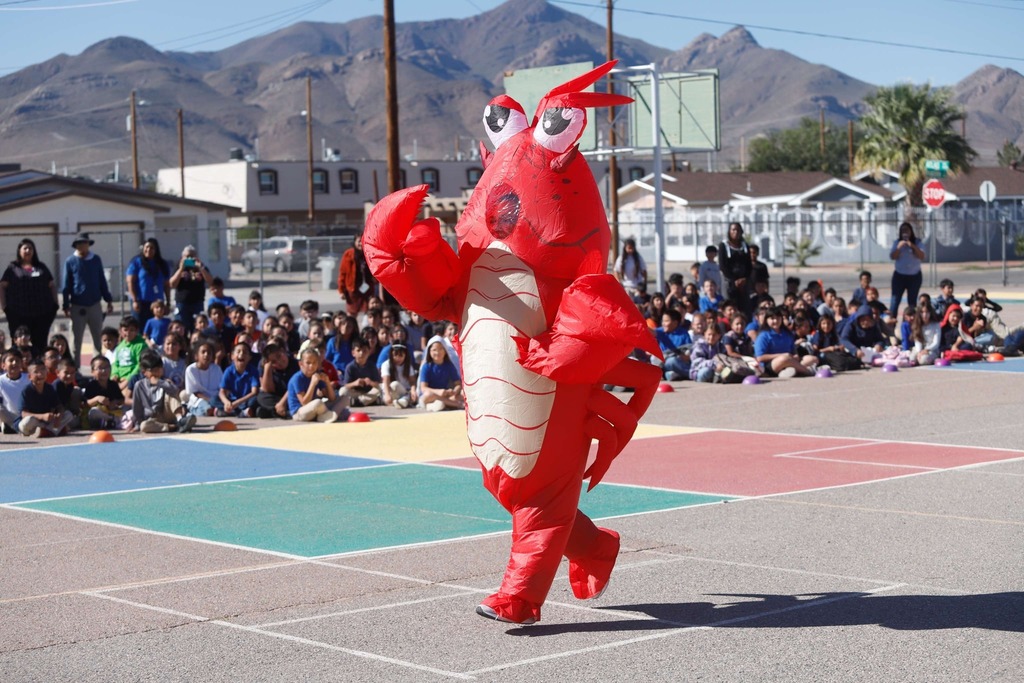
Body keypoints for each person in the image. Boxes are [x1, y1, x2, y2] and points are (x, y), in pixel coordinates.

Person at [0, 238, 59, 358]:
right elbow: (2, 286)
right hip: (18, 314)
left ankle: (39, 369)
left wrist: (55, 304)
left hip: (41, 314)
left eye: (30, 248)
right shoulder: (12, 268)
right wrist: (4, 306)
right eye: (25, 248)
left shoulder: (41, 267)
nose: (28, 250)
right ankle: (18, 370)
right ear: (19, 251)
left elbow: (51, 285)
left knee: (40, 344)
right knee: (19, 344)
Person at [62, 233, 114, 366]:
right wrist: (66, 305)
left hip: (95, 304)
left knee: (97, 339)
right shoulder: (70, 261)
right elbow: (66, 284)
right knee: (76, 341)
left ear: (88, 244)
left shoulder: (96, 259)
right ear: (76, 245)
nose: (82, 245)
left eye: (85, 243)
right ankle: (76, 370)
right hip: (77, 305)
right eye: (79, 243)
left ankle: (97, 367)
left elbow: (102, 280)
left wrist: (108, 300)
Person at [131, 351, 196, 433]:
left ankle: (180, 420)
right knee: (144, 426)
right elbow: (137, 408)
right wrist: (137, 425)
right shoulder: (139, 385)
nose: (157, 372)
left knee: (170, 393)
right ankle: (172, 427)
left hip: (167, 415)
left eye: (159, 369)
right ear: (145, 372)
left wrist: (160, 383)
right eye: (153, 370)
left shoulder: (165, 382)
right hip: (152, 418)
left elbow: (176, 392)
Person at [754, 307, 817, 378]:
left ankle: (790, 370)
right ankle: (808, 371)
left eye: (778, 318)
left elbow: (793, 350)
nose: (775, 321)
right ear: (767, 320)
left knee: (812, 359)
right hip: (770, 365)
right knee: (784, 359)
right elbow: (759, 357)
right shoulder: (763, 335)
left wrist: (795, 355)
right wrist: (781, 355)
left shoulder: (787, 333)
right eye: (772, 319)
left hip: (789, 360)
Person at [19, 357, 75, 437]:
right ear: (29, 377)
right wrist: (42, 416)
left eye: (42, 370)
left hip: (48, 422)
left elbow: (59, 406)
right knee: (27, 421)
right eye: (36, 372)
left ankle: (46, 431)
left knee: (68, 414)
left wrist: (59, 415)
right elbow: (23, 413)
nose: (40, 374)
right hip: (35, 421)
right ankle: (53, 431)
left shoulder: (49, 388)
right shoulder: (27, 390)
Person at [287, 347, 346, 422]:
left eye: (314, 362)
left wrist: (327, 382)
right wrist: (312, 384)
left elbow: (332, 398)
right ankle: (331, 415)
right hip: (299, 412)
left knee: (344, 398)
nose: (311, 366)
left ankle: (328, 415)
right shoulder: (297, 378)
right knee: (318, 403)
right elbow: (304, 403)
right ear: (301, 364)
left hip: (314, 409)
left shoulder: (317, 375)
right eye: (308, 363)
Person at [125, 238, 170, 329]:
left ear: (156, 250)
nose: (149, 250)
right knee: (139, 328)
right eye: (147, 247)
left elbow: (166, 284)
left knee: (155, 328)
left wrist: (168, 302)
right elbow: (130, 282)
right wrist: (134, 300)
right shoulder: (136, 262)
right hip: (141, 302)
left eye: (152, 248)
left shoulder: (162, 264)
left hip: (157, 304)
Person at [170, 245, 213, 334]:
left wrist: (201, 268)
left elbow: (210, 281)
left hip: (197, 303)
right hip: (182, 303)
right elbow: (172, 284)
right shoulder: (179, 266)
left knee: (198, 329)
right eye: (187, 256)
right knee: (181, 328)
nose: (190, 258)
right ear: (183, 257)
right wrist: (181, 269)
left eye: (192, 256)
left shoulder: (201, 266)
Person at [418, 335, 463, 412]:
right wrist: (438, 392)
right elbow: (423, 388)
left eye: (440, 349)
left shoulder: (449, 365)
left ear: (445, 350)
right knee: (428, 395)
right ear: (429, 351)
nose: (437, 352)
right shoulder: (426, 366)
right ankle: (456, 404)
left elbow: (458, 384)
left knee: (463, 393)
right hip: (430, 395)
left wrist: (454, 391)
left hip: (445, 395)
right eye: (434, 350)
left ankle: (443, 404)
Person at [888, 222, 925, 317]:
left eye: (906, 230)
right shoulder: (897, 243)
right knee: (895, 300)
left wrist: (912, 245)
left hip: (914, 276)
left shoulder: (917, 242)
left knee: (912, 302)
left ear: (911, 231)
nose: (905, 232)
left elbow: (921, 256)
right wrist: (899, 247)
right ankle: (892, 324)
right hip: (899, 276)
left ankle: (912, 324)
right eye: (902, 230)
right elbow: (892, 256)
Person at [719, 222, 752, 316]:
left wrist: (744, 278)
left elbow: (749, 264)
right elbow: (723, 266)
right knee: (730, 305)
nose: (735, 232)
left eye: (738, 230)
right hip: (729, 281)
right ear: (729, 232)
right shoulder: (723, 246)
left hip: (743, 282)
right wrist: (734, 281)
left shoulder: (745, 246)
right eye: (733, 230)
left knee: (744, 307)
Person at [255, 343, 296, 419]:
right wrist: (267, 369)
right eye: (274, 362)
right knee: (261, 397)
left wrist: (282, 403)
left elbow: (294, 387)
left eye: (279, 356)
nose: (279, 362)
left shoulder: (296, 364)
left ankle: (273, 412)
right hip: (278, 398)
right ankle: (281, 412)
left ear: (283, 351)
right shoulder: (272, 370)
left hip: (294, 396)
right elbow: (268, 390)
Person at [338, 233, 375, 316]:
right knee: (352, 313)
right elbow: (342, 273)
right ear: (354, 242)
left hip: (368, 288)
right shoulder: (348, 254)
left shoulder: (370, 253)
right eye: (359, 241)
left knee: (370, 312)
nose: (361, 244)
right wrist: (341, 290)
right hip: (353, 289)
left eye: (363, 241)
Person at [218, 342, 259, 417]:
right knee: (214, 400)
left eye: (245, 352)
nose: (241, 354)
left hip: (246, 401)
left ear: (249, 357)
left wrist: (237, 403)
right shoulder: (228, 371)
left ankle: (235, 412)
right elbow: (222, 392)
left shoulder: (253, 371)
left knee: (256, 399)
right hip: (232, 401)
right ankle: (237, 412)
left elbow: (254, 392)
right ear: (232, 356)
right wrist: (226, 402)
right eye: (238, 351)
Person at [184, 341, 223, 417]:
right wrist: (210, 400)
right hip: (199, 399)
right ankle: (189, 412)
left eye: (209, 353)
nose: (206, 355)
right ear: (196, 356)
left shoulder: (216, 368)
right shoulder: (191, 370)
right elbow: (195, 392)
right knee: (207, 409)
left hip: (215, 399)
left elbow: (221, 388)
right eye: (203, 352)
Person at [340, 338, 382, 407]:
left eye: (364, 351)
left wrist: (370, 382)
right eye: (358, 350)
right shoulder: (350, 367)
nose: (361, 353)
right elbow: (346, 385)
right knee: (343, 391)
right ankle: (366, 401)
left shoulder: (372, 366)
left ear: (369, 352)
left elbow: (378, 384)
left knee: (380, 389)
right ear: (353, 353)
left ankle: (358, 402)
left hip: (369, 392)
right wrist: (355, 383)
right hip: (355, 393)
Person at [653, 309, 691, 381]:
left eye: (666, 321)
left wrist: (685, 356)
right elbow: (650, 331)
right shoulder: (661, 331)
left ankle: (691, 374)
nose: (663, 323)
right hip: (663, 360)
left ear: (675, 323)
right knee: (654, 358)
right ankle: (669, 374)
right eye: (663, 321)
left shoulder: (683, 333)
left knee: (671, 361)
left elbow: (689, 352)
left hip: (677, 361)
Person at [110, 316, 146, 393]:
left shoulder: (140, 345)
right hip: (119, 378)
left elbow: (140, 365)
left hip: (132, 379)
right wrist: (115, 375)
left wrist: (128, 379)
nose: (128, 333)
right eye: (125, 330)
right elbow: (116, 363)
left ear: (137, 331)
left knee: (123, 395)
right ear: (120, 331)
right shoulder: (120, 346)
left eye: (131, 330)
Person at [0, 349, 30, 433]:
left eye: (17, 361)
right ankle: (17, 427)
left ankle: (12, 427)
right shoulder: (1, 381)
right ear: (3, 365)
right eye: (11, 360)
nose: (14, 363)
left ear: (21, 364)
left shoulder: (28, 378)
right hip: (10, 415)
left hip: (27, 414)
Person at [381, 343, 417, 408]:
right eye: (395, 355)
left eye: (401, 355)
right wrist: (387, 395)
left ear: (405, 355)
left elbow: (412, 382)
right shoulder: (386, 364)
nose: (398, 358)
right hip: (390, 391)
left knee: (410, 395)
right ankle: (403, 401)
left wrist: (413, 391)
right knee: (394, 384)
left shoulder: (408, 366)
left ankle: (402, 401)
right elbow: (386, 381)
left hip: (404, 391)